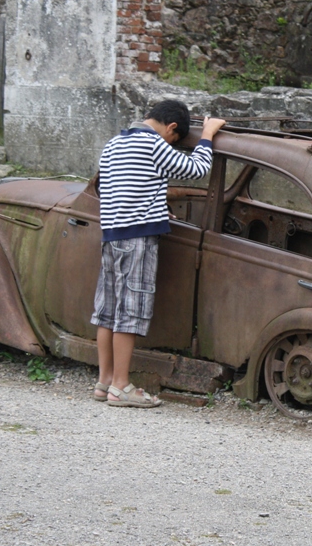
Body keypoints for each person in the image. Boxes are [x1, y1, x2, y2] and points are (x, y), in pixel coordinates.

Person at [90, 99, 226, 407]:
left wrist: (156, 209)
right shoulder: (152, 143)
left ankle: (105, 381)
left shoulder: (113, 144)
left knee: (107, 311)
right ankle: (121, 387)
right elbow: (197, 169)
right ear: (171, 127)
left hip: (111, 236)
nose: (171, 144)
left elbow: (122, 190)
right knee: (130, 311)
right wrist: (208, 134)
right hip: (137, 239)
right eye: (174, 139)